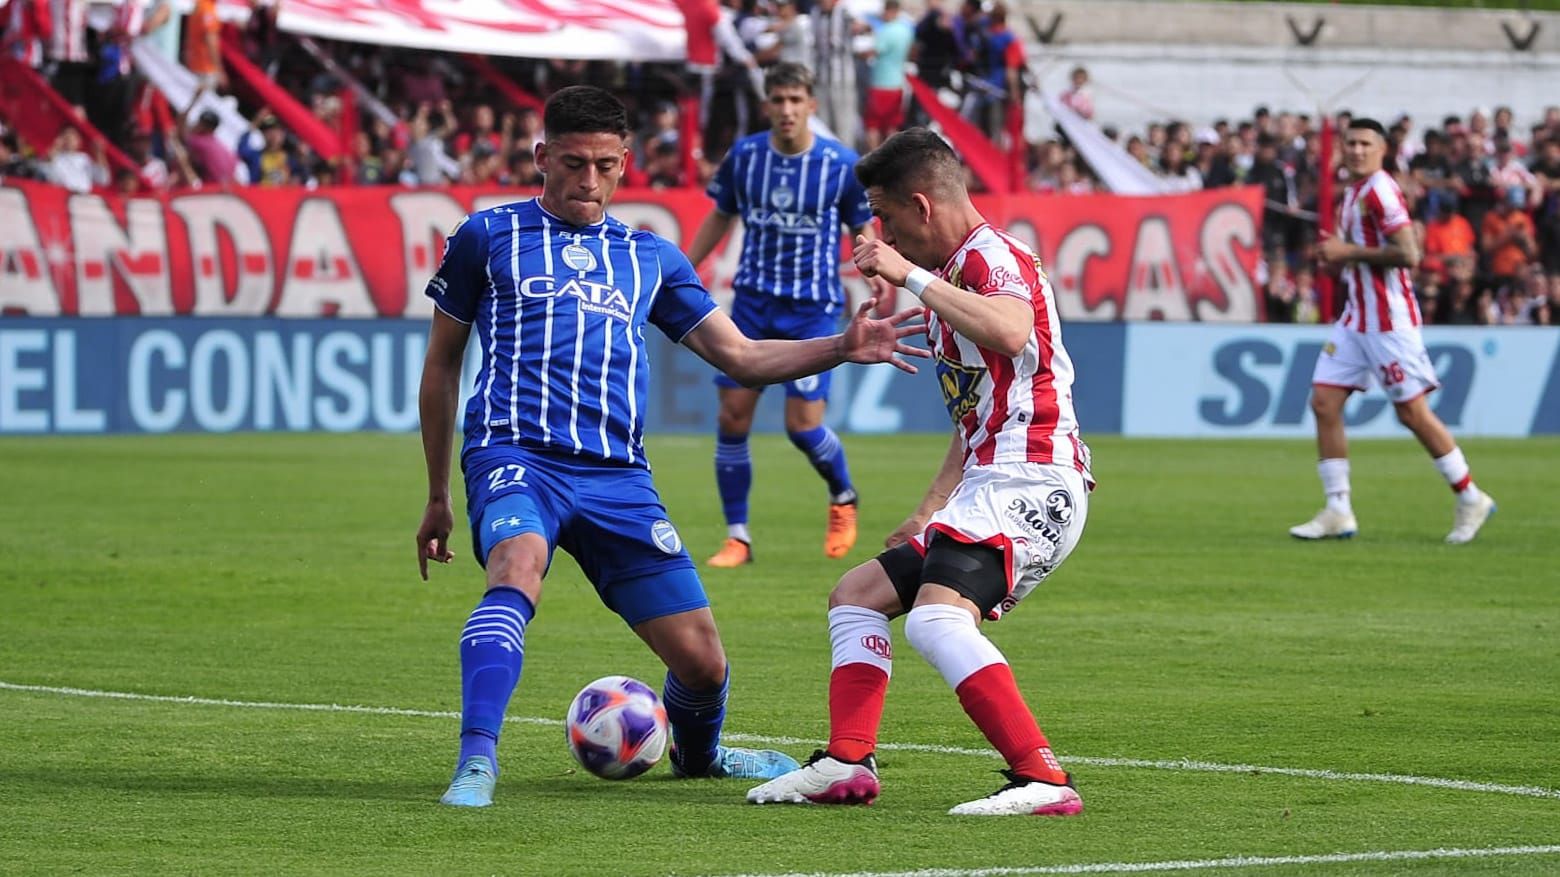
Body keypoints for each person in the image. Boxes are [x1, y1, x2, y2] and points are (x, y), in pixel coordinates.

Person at [415, 85, 927, 809]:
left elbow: (740, 356)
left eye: (604, 166)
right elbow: (442, 364)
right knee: (516, 566)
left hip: (619, 477)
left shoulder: (649, 257)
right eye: (572, 163)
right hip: (516, 454)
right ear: (541, 157)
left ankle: (701, 754)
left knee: (704, 663)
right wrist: (439, 492)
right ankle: (476, 761)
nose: (588, 181)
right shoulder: (486, 236)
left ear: (624, 163)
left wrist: (840, 346)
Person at [746, 127, 1095, 817]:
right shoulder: (950, 285)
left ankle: (1043, 777)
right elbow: (973, 419)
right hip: (991, 478)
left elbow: (1012, 330)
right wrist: (930, 507)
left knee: (934, 621)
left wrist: (907, 275)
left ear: (921, 205)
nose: (883, 235)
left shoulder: (991, 257)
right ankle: (847, 763)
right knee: (857, 595)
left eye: (885, 216)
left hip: (1032, 477)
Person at [684, 62, 890, 569]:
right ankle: (737, 537)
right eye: (778, 99)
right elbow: (720, 216)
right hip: (752, 304)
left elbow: (861, 225)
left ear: (811, 105)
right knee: (732, 417)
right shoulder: (746, 156)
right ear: (767, 105)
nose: (787, 109)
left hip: (812, 309)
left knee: (802, 427)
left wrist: (875, 265)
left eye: (796, 100)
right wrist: (683, 270)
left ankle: (842, 494)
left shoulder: (840, 164)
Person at [1290, 118, 1496, 545]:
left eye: (1365, 143)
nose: (1357, 150)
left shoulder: (1380, 191)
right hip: (1356, 318)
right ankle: (1338, 509)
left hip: (1388, 322)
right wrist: (1337, 258)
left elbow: (1409, 253)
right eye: (1350, 143)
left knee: (1412, 413)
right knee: (1324, 402)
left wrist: (1347, 250)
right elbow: (1361, 255)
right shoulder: (1353, 194)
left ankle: (1470, 496)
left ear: (1382, 150)